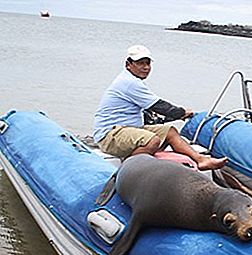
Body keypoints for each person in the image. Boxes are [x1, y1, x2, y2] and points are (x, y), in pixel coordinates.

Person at [93, 45, 227, 170]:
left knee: (170, 132)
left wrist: (175, 115)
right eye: (140, 63)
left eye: (148, 63)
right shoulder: (129, 83)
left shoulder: (133, 81)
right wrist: (181, 112)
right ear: (128, 65)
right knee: (152, 141)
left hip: (128, 128)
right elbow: (159, 106)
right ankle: (126, 171)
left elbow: (153, 111)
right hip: (110, 134)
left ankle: (201, 160)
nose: (145, 67)